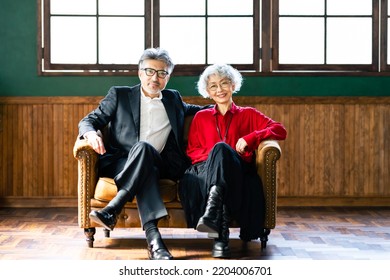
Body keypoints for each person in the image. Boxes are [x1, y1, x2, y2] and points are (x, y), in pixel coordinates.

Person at [78, 48, 208, 260]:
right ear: (139, 73)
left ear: (168, 77)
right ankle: (154, 241)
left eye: (162, 73)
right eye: (149, 71)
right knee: (143, 150)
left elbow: (204, 109)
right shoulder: (119, 95)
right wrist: (91, 134)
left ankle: (113, 208)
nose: (155, 77)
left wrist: (227, 104)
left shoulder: (173, 99)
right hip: (123, 162)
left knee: (145, 149)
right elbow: (88, 120)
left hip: (163, 163)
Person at [178, 64, 287, 258]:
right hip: (205, 170)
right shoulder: (201, 117)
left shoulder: (249, 114)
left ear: (233, 85)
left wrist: (250, 138)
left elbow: (280, 130)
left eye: (224, 83)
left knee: (222, 151)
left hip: (238, 171)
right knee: (220, 151)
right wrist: (217, 159)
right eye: (213, 86)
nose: (219, 90)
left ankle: (214, 221)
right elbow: (192, 151)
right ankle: (221, 238)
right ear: (207, 92)